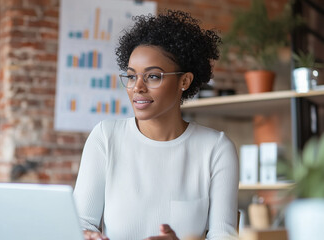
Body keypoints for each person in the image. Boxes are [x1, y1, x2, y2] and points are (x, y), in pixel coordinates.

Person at [73, 10, 239, 240]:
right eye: (131, 76)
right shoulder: (105, 137)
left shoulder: (216, 148)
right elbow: (81, 222)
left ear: (184, 81)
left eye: (152, 76)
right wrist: (86, 235)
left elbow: (224, 236)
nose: (137, 87)